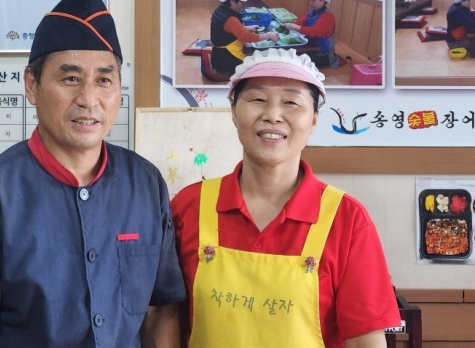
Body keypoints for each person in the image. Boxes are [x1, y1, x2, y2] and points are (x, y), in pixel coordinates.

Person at [0, 0, 186, 348]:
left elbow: (160, 310)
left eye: (104, 80)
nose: (88, 99)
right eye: (70, 78)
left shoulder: (145, 183)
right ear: (31, 85)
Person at [171, 48, 400, 348]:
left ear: (314, 119)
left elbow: (365, 341)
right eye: (257, 99)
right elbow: (164, 321)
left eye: (291, 102)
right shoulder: (189, 206)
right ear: (233, 111)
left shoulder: (346, 219)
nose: (273, 115)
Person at [210, 0, 279, 76]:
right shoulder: (230, 18)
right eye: (240, 2)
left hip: (218, 55)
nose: (242, 4)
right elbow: (246, 37)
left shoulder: (221, 10)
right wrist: (269, 35)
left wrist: (248, 28)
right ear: (232, 1)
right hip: (226, 58)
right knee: (255, 69)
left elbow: (228, 30)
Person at [284, 0, 339, 69]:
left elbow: (314, 32)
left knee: (299, 63)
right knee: (291, 53)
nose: (311, 3)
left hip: (323, 53)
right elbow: (302, 20)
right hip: (313, 44)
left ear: (323, 0)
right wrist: (293, 24)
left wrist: (294, 26)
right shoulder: (312, 11)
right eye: (310, 0)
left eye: (314, 1)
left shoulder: (328, 16)